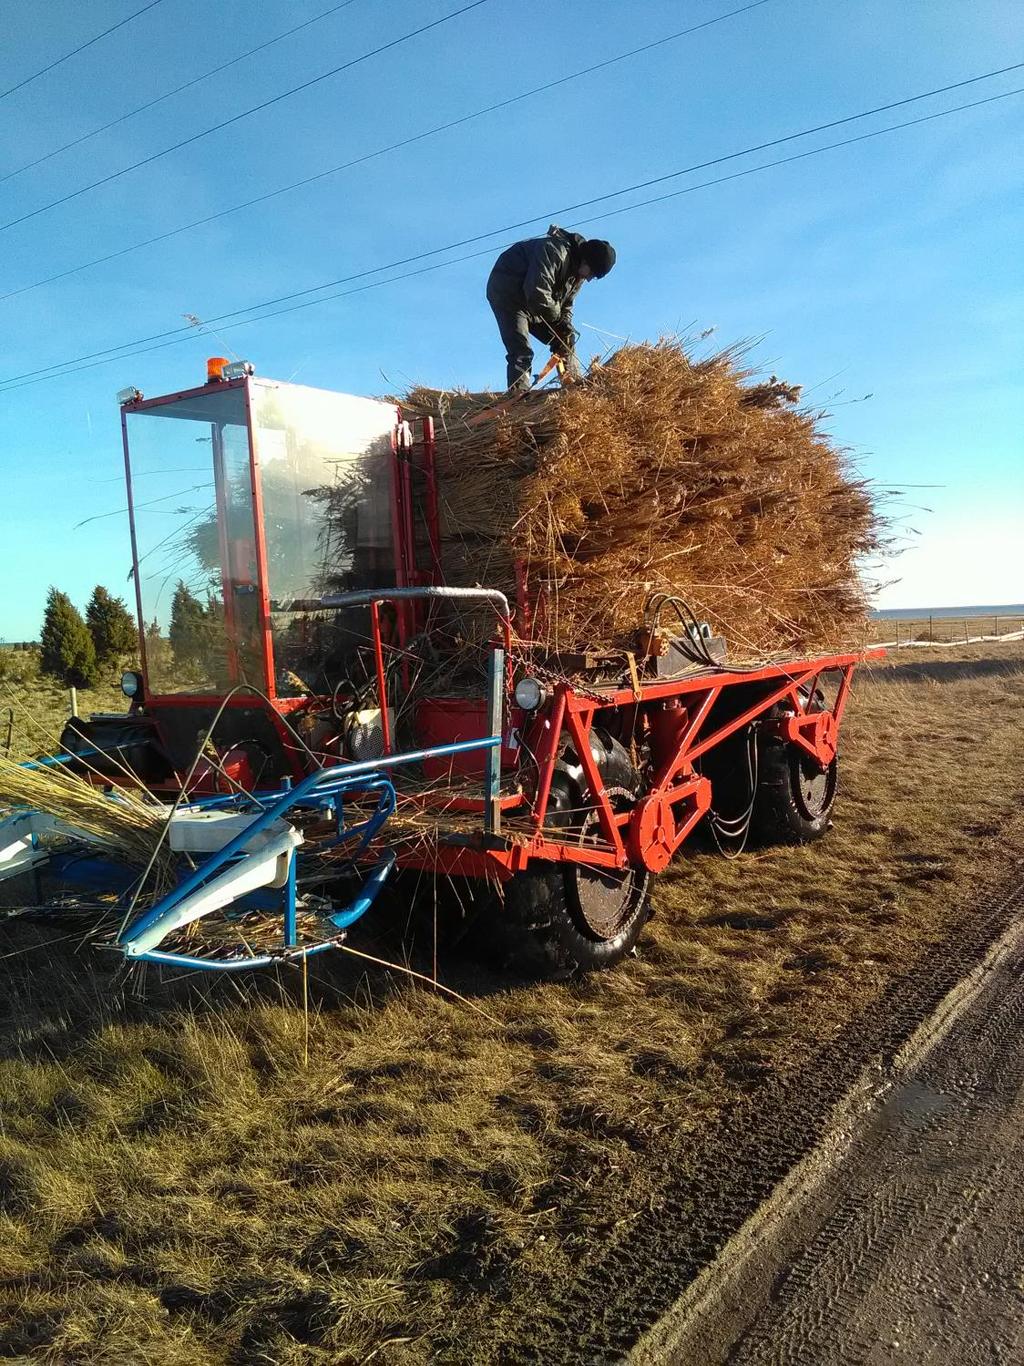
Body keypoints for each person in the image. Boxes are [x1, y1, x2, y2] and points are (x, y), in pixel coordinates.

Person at [486, 225, 616, 392]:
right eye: (592, 273)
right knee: (521, 350)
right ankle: (518, 396)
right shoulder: (554, 251)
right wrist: (558, 320)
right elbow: (536, 292)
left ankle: (573, 387)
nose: (589, 279)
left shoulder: (577, 275)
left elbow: (566, 305)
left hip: (536, 303)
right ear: (586, 260)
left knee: (565, 339)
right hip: (509, 291)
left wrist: (565, 327)